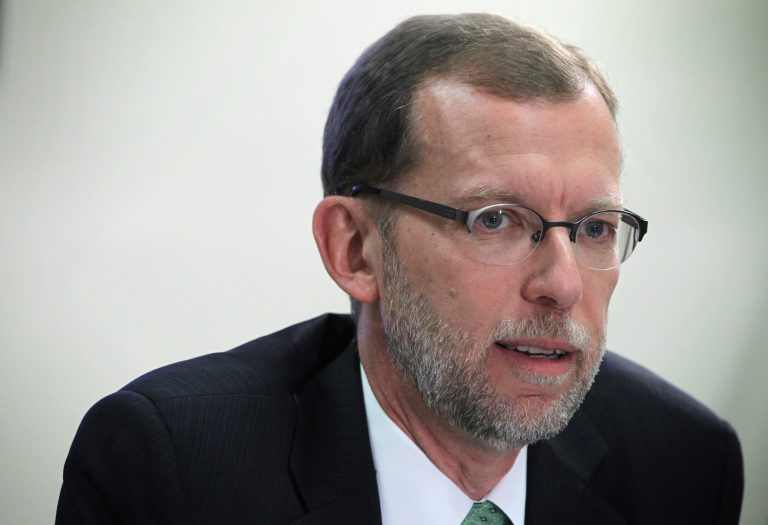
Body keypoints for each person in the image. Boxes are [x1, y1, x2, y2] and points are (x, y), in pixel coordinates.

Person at [56, 13, 743, 525]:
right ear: (354, 249)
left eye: (594, 228)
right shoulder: (173, 469)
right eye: (496, 219)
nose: (562, 284)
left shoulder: (684, 464)